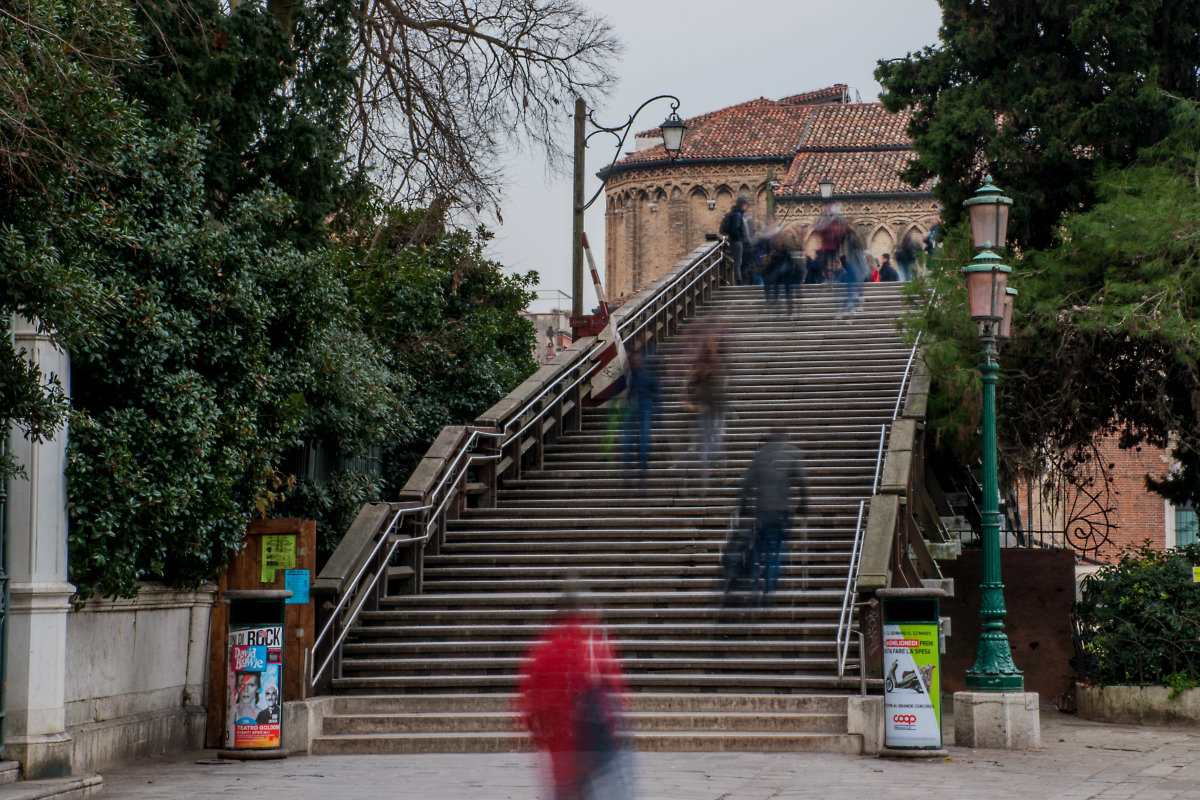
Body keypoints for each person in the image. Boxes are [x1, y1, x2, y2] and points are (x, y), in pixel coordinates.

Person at [517, 586, 631, 800]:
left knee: (567, 788)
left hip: (561, 740)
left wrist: (536, 731)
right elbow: (612, 686)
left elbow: (529, 696)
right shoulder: (589, 645)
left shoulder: (544, 649)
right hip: (588, 737)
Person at [738, 431, 810, 602]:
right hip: (782, 511)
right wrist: (803, 504)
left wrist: (743, 506)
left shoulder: (760, 456)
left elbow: (747, 483)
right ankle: (770, 588)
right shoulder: (790, 456)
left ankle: (755, 578)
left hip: (763, 511)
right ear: (784, 440)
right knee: (777, 549)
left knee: (759, 545)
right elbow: (802, 482)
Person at [683, 333, 726, 492]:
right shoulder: (698, 376)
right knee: (706, 443)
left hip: (715, 412)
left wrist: (697, 407)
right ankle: (705, 476)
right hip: (704, 413)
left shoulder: (714, 375)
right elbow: (689, 388)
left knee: (716, 439)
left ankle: (718, 467)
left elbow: (717, 397)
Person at [622, 344, 660, 483]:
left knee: (638, 437)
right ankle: (635, 467)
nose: (636, 363)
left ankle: (637, 466)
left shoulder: (642, 375)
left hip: (643, 405)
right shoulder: (633, 375)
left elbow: (656, 392)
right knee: (634, 437)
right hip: (639, 406)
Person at [719, 197, 751, 285]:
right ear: (743, 205)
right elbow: (735, 228)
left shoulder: (733, 213)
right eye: (745, 205)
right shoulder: (738, 215)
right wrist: (738, 239)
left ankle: (739, 279)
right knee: (738, 261)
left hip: (732, 240)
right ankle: (739, 280)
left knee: (737, 260)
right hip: (736, 241)